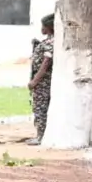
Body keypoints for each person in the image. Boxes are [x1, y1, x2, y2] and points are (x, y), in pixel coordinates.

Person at [27, 13, 54, 145]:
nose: (41, 28)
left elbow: (46, 61)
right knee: (40, 108)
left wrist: (35, 81)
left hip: (44, 83)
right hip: (43, 82)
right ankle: (40, 135)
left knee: (40, 109)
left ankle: (41, 136)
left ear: (48, 27)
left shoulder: (51, 42)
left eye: (43, 26)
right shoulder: (48, 41)